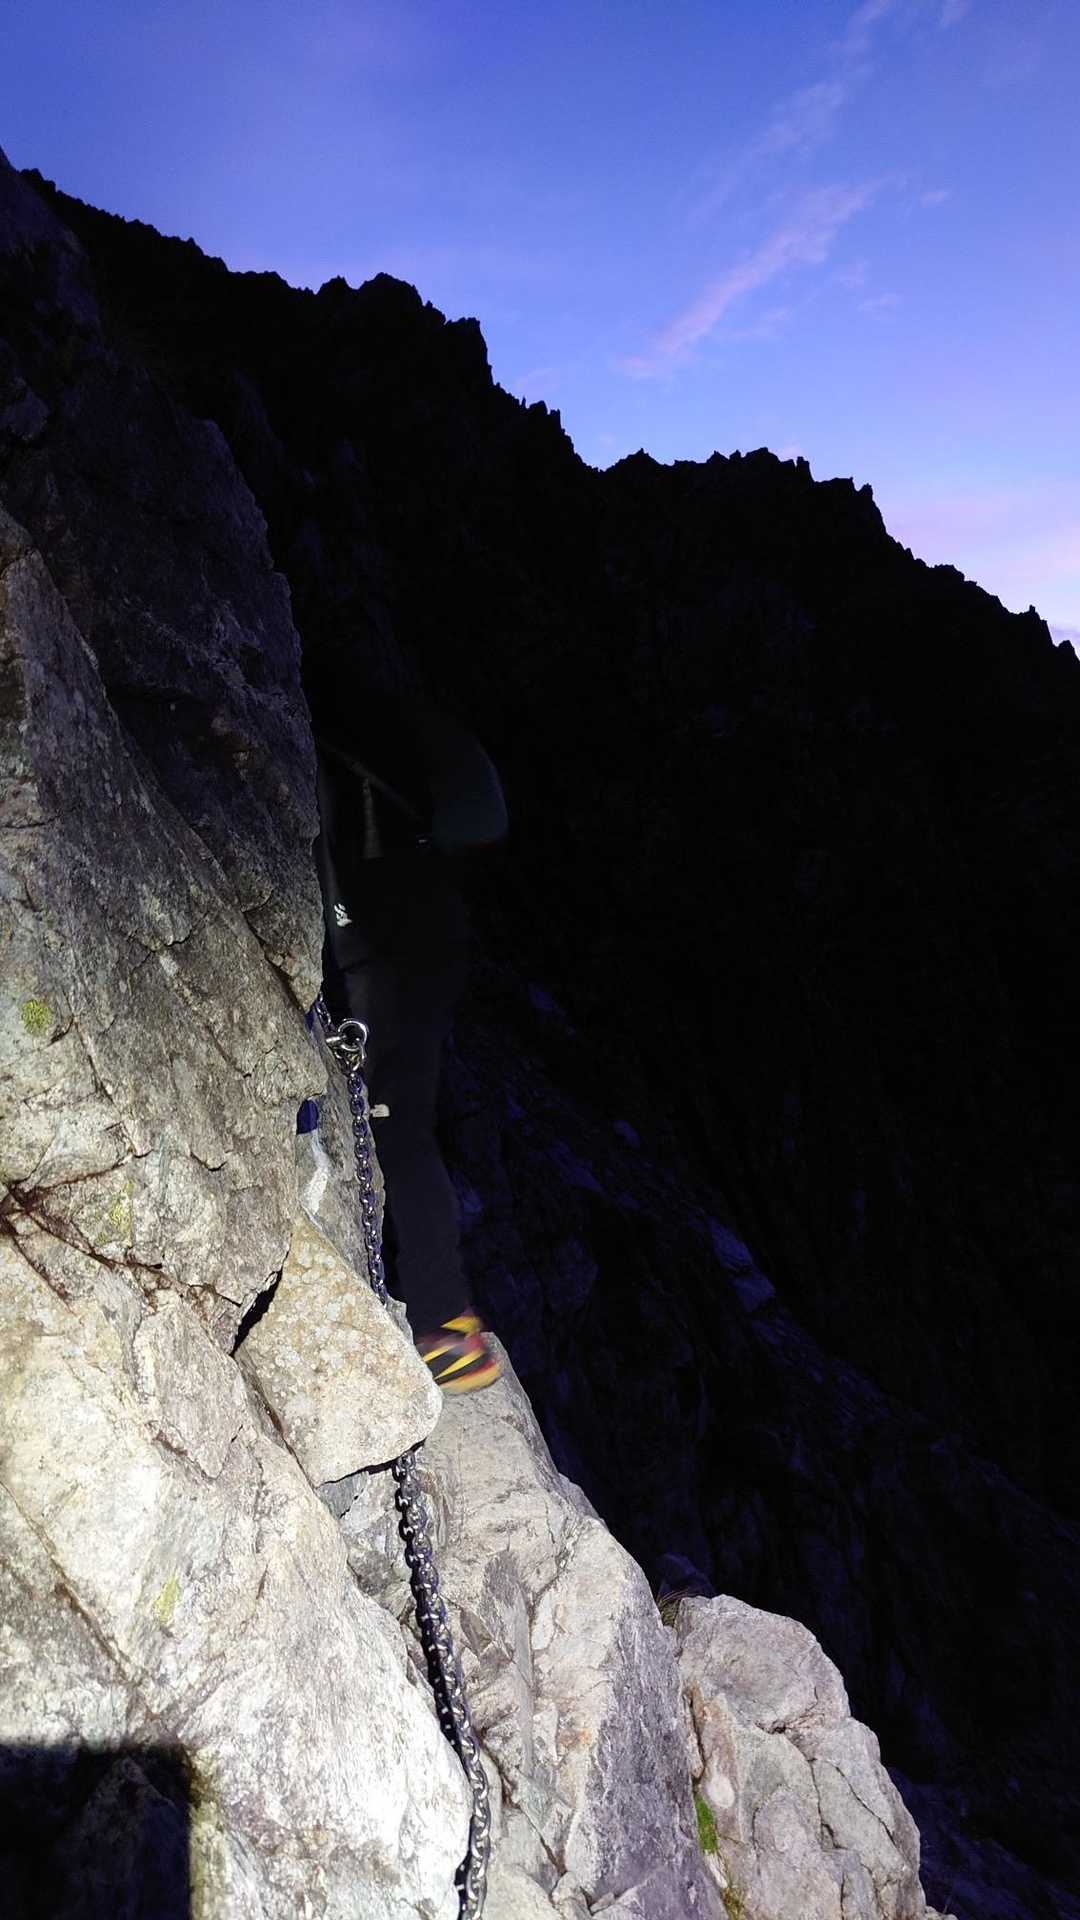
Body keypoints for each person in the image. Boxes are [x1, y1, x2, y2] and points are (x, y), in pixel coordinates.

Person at [311, 685, 508, 1395]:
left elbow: (335, 882)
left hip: (394, 948)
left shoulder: (325, 746)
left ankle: (444, 1324)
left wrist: (349, 980)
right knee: (409, 1127)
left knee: (398, 1129)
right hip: (430, 931)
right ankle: (446, 1316)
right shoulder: (381, 747)